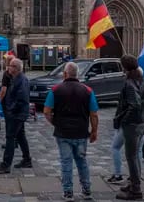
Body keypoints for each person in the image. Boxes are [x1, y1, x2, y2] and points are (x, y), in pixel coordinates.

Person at [43, 62, 99, 201]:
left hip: (63, 133)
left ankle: (68, 192)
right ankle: (86, 190)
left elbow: (46, 111)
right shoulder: (87, 90)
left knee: (66, 162)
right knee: (82, 161)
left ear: (65, 74)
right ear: (77, 74)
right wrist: (94, 131)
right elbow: (94, 114)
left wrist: (55, 122)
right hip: (81, 132)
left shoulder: (55, 90)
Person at [113, 55, 144, 200]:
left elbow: (135, 104)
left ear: (124, 67)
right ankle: (132, 182)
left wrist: (124, 120)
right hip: (143, 122)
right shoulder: (143, 80)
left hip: (133, 125)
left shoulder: (130, 83)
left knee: (131, 157)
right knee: (135, 155)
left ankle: (135, 190)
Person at [0, 58, 32, 174]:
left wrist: (11, 109)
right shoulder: (16, 79)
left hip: (17, 114)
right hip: (17, 113)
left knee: (10, 137)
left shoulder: (21, 80)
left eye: (10, 66)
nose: (8, 67)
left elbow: (21, 98)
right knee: (20, 136)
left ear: (16, 68)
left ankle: (6, 164)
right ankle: (27, 159)